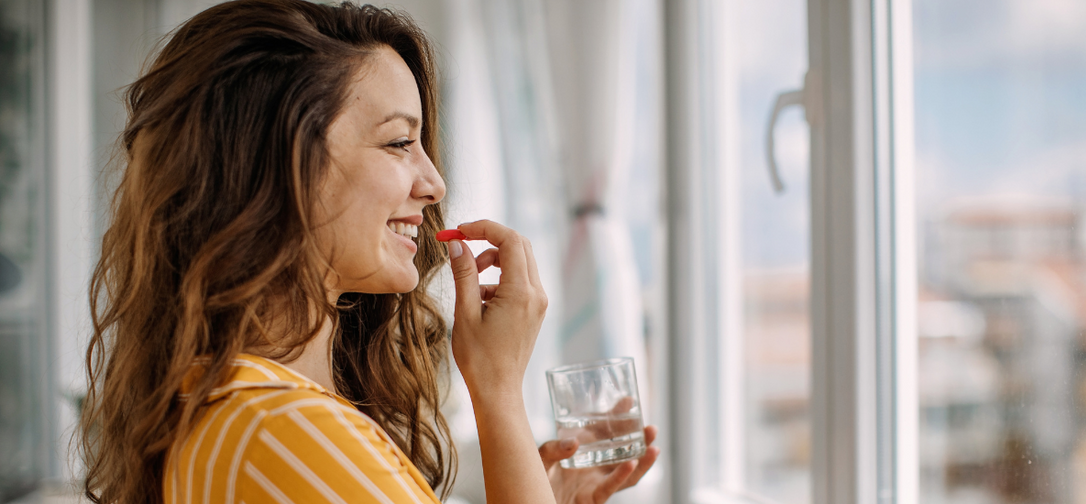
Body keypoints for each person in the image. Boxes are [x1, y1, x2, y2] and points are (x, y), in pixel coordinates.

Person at [78, 1, 659, 503]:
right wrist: (499, 390)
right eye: (400, 142)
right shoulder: (286, 431)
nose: (434, 184)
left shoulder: (231, 400)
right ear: (280, 167)